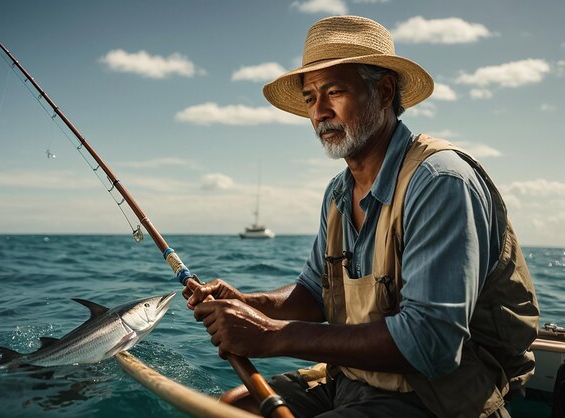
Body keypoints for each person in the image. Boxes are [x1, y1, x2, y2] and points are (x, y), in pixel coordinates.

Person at [184, 15, 540, 418]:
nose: (319, 112)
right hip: (355, 380)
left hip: (440, 395)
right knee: (232, 408)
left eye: (334, 91)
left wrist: (270, 335)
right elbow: (314, 292)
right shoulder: (338, 193)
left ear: (384, 92)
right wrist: (253, 303)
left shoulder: (441, 181)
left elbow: (431, 343)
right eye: (310, 98)